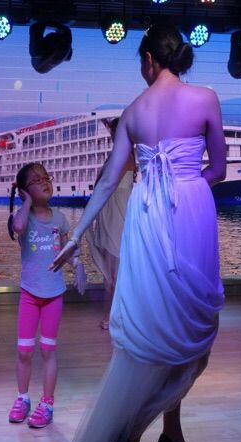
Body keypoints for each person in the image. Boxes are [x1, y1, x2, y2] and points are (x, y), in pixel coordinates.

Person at [50, 24, 226, 442]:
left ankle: (166, 435)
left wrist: (74, 236)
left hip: (148, 221)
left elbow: (108, 182)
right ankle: (134, 433)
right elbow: (219, 170)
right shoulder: (206, 98)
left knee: (159, 331)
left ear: (149, 59)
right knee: (191, 331)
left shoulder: (132, 111)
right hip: (188, 215)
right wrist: (186, 185)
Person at [6, 162, 85, 428]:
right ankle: (22, 398)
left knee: (48, 349)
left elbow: (65, 250)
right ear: (24, 190)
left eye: (46, 177)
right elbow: (18, 228)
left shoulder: (60, 218)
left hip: (53, 294)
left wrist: (77, 264)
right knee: (24, 351)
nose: (44, 182)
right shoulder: (21, 217)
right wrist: (26, 202)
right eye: (36, 180)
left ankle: (47, 403)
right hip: (29, 294)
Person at [85, 117, 136, 330]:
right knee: (114, 270)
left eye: (117, 131)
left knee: (116, 270)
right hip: (111, 214)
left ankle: (116, 315)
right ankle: (119, 314)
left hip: (118, 216)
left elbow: (106, 184)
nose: (114, 136)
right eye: (113, 132)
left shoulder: (124, 156)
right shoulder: (118, 155)